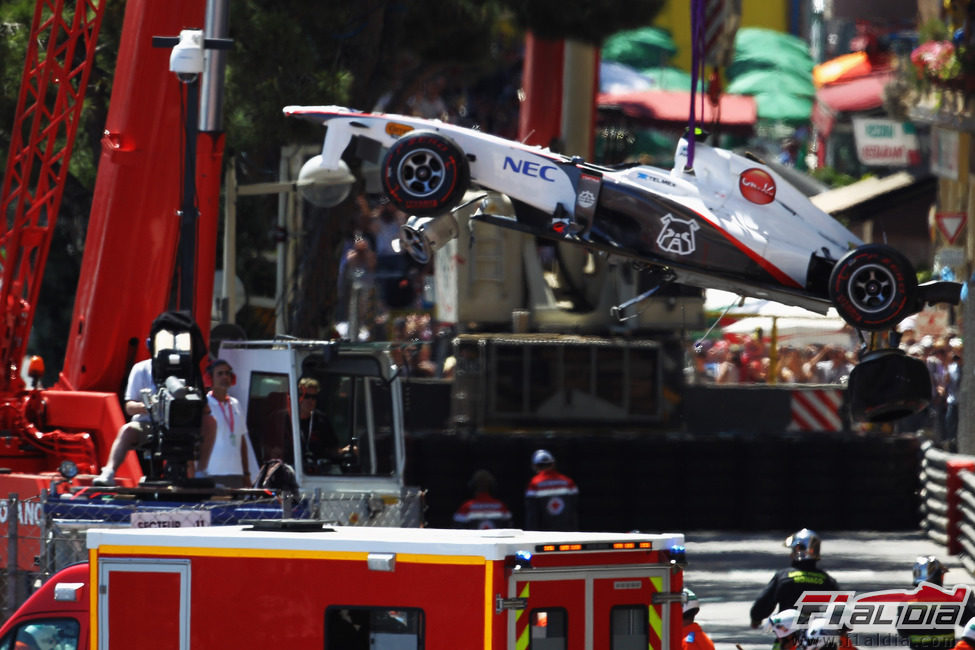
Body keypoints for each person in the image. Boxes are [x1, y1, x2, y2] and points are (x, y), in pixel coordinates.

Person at [94, 354, 216, 485]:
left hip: (183, 425)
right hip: (149, 424)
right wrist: (149, 406)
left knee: (210, 421)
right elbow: (129, 407)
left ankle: (200, 471)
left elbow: (206, 409)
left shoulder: (189, 368)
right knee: (127, 430)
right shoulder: (141, 368)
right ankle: (108, 472)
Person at [750, 528, 839, 628]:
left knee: (782, 641)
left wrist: (756, 619)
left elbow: (764, 603)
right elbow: (840, 611)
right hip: (818, 636)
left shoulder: (783, 577)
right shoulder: (827, 581)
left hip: (788, 634)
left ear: (797, 550)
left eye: (793, 550)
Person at [899, 556, 975, 650]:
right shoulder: (951, 601)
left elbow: (902, 632)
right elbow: (969, 622)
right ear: (938, 577)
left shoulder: (907, 603)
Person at [204, 360, 253, 488]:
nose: (225, 377)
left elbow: (241, 441)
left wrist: (246, 473)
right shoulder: (204, 405)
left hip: (236, 473)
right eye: (220, 374)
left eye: (227, 373)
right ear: (210, 379)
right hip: (212, 473)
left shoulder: (236, 404)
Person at [524, 449, 579, 531]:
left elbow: (532, 514)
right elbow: (575, 507)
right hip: (568, 532)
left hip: (545, 534)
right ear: (553, 464)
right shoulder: (568, 482)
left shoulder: (534, 484)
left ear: (535, 466)